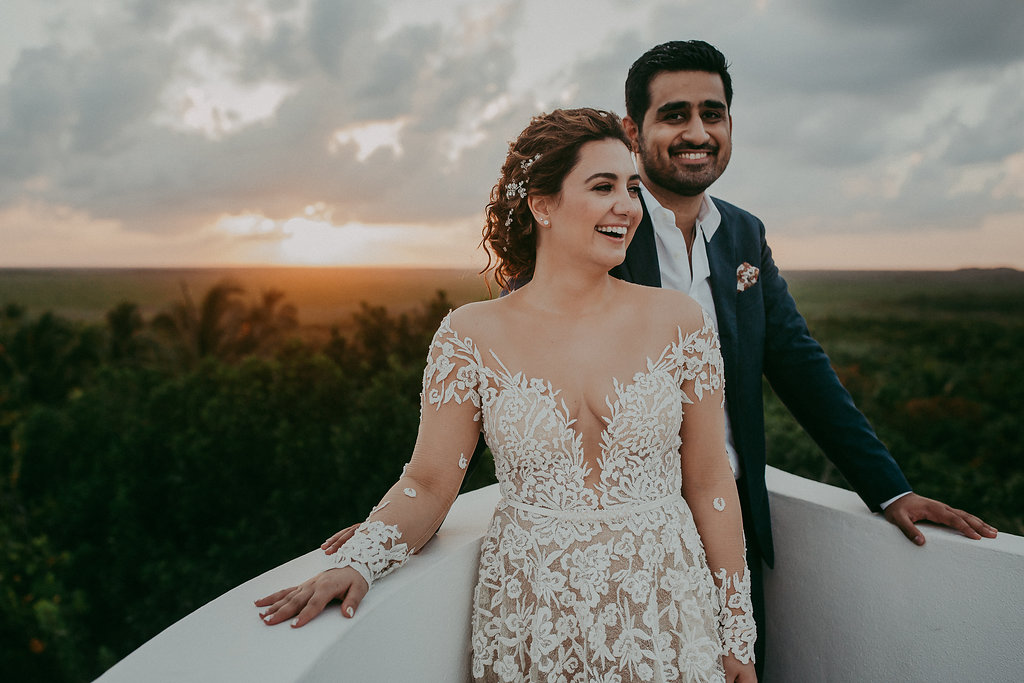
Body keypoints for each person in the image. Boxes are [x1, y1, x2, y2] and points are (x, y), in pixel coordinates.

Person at [256, 108, 758, 682]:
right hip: (532, 609)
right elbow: (429, 481)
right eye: (603, 186)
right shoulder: (469, 336)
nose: (627, 206)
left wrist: (736, 633)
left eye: (632, 188)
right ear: (543, 205)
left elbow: (711, 480)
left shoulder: (680, 321)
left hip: (667, 606)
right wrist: (362, 561)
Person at [613, 40, 998, 677]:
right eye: (674, 114)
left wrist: (887, 487)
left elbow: (798, 362)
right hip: (622, 526)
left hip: (732, 518)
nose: (698, 132)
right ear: (634, 129)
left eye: (714, 113)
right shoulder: (603, 225)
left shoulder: (743, 234)